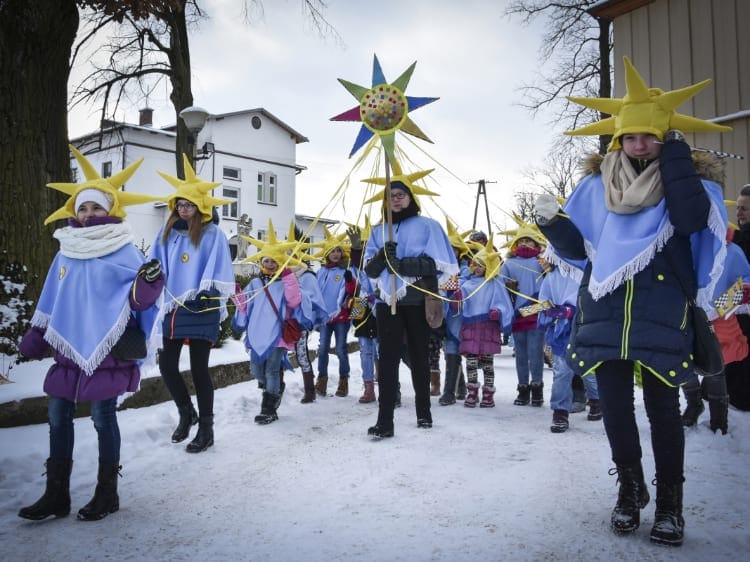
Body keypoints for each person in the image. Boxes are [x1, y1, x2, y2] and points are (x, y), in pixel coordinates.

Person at [534, 57, 730, 546]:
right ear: (617, 139)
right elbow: (581, 251)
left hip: (661, 314)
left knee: (663, 411)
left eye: (649, 136)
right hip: (604, 310)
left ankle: (669, 505)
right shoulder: (595, 187)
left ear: (665, 138)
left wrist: (677, 162)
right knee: (618, 410)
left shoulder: (690, 185)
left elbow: (689, 223)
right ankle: (629, 487)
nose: (638, 144)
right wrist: (552, 224)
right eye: (630, 136)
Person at [17, 146, 163, 521]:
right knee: (56, 417)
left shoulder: (125, 251)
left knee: (102, 419)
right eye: (83, 208)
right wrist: (37, 335)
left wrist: (149, 283)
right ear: (74, 212)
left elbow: (137, 299)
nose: (89, 214)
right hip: (68, 353)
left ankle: (106, 493)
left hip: (108, 352)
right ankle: (56, 495)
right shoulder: (65, 250)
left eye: (97, 207)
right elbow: (53, 297)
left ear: (112, 210)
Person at [362, 166, 458, 438]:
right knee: (388, 359)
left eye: (401, 194)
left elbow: (438, 263)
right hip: (386, 302)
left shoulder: (428, 226)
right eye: (391, 195)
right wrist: (382, 257)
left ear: (411, 197)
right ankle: (385, 421)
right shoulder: (378, 230)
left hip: (416, 300)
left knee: (418, 357)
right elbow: (369, 269)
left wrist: (403, 264)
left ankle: (423, 411)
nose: (396, 199)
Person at [149, 155, 235, 453]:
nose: (183, 210)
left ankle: (207, 429)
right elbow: (154, 265)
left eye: (188, 205)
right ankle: (187, 413)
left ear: (200, 206)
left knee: (199, 370)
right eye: (179, 205)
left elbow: (221, 268)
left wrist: (208, 294)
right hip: (172, 308)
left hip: (200, 307)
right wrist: (149, 276)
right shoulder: (167, 234)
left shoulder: (213, 234)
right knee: (168, 367)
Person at [681, 229, 750, 433]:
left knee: (716, 367)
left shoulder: (730, 250)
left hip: (718, 319)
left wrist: (721, 307)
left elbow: (746, 280)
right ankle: (694, 404)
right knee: (684, 363)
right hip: (684, 315)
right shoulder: (680, 243)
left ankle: (719, 419)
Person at [232, 247, 303, 424]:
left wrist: (288, 276)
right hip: (258, 334)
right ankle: (276, 389)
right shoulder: (256, 283)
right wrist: (236, 292)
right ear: (261, 262)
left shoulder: (286, 281)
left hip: (277, 334)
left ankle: (268, 409)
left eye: (274, 261)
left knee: (271, 370)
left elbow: (294, 300)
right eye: (267, 261)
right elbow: (244, 306)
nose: (270, 265)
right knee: (256, 370)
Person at [536, 261, 601, 433]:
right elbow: (542, 302)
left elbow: (595, 296)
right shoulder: (551, 277)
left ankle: (596, 400)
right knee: (562, 372)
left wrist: (576, 310)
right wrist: (550, 311)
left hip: (583, 328)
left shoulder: (587, 271)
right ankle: (560, 412)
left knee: (587, 369)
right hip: (561, 331)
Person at [454, 237, 514, 408]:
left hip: (488, 328)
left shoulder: (495, 283)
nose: (477, 268)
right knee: (471, 362)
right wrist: (457, 299)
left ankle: (488, 394)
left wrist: (498, 311)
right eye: (475, 264)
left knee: (488, 363)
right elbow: (461, 301)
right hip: (471, 328)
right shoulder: (467, 284)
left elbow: (502, 302)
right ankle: (472, 392)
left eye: (481, 265)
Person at [499, 219, 548, 406]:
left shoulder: (542, 262)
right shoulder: (509, 264)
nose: (525, 244)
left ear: (537, 244)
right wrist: (508, 287)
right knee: (520, 353)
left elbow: (550, 285)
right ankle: (522, 388)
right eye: (521, 241)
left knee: (535, 351)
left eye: (529, 241)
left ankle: (537, 388)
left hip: (537, 311)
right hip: (517, 314)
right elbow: (500, 286)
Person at [312, 228, 357, 398]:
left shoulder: (347, 270)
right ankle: (321, 379)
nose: (336, 254)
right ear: (327, 253)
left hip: (341, 318)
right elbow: (315, 291)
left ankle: (343, 381)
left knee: (340, 349)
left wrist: (349, 280)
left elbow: (353, 290)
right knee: (322, 348)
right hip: (325, 318)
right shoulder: (321, 271)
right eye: (333, 251)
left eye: (339, 250)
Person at [438, 219, 472, 406]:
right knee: (449, 351)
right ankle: (461, 387)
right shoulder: (437, 269)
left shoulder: (465, 269)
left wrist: (445, 286)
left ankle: (449, 392)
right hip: (442, 316)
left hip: (459, 317)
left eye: (455, 249)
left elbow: (464, 286)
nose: (451, 253)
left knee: (453, 349)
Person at [728, 184, 750, 411]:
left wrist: (719, 307)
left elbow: (740, 282)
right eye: (739, 207)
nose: (739, 213)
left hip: (740, 312)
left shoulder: (741, 242)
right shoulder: (738, 239)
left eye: (745, 209)